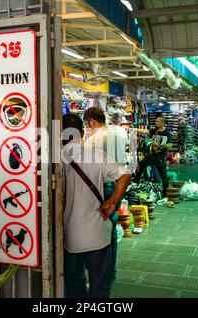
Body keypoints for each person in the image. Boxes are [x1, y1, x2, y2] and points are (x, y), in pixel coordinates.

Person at [62, 113, 131, 298]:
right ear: (82, 132)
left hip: (70, 237)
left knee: (74, 285)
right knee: (100, 286)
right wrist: (112, 202)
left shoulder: (54, 161)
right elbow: (125, 175)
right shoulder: (96, 155)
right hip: (97, 235)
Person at [83, 107, 128, 283]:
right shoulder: (118, 134)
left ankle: (99, 276)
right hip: (118, 185)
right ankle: (111, 273)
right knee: (111, 230)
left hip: (101, 188)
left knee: (98, 232)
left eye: (87, 125)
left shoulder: (93, 139)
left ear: (92, 122)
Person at [133, 115, 172, 196]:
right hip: (153, 155)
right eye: (156, 121)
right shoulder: (155, 130)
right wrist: (134, 129)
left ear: (163, 123)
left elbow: (169, 146)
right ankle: (136, 181)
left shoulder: (167, 133)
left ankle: (165, 192)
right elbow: (145, 131)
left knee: (163, 174)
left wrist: (158, 144)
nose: (156, 123)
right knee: (142, 163)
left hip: (161, 156)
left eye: (158, 121)